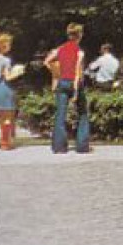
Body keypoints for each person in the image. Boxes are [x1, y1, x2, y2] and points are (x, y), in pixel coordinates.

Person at [43, 23, 92, 154]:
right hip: (74, 83)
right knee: (82, 113)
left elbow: (46, 61)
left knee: (60, 114)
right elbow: (77, 72)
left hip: (62, 82)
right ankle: (82, 146)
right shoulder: (80, 52)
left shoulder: (59, 49)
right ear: (80, 35)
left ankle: (59, 147)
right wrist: (76, 91)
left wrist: (56, 73)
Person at [0, 33, 20, 151]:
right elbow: (7, 77)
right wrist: (18, 72)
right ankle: (5, 142)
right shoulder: (6, 60)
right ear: (3, 46)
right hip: (3, 87)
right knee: (7, 116)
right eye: (9, 44)